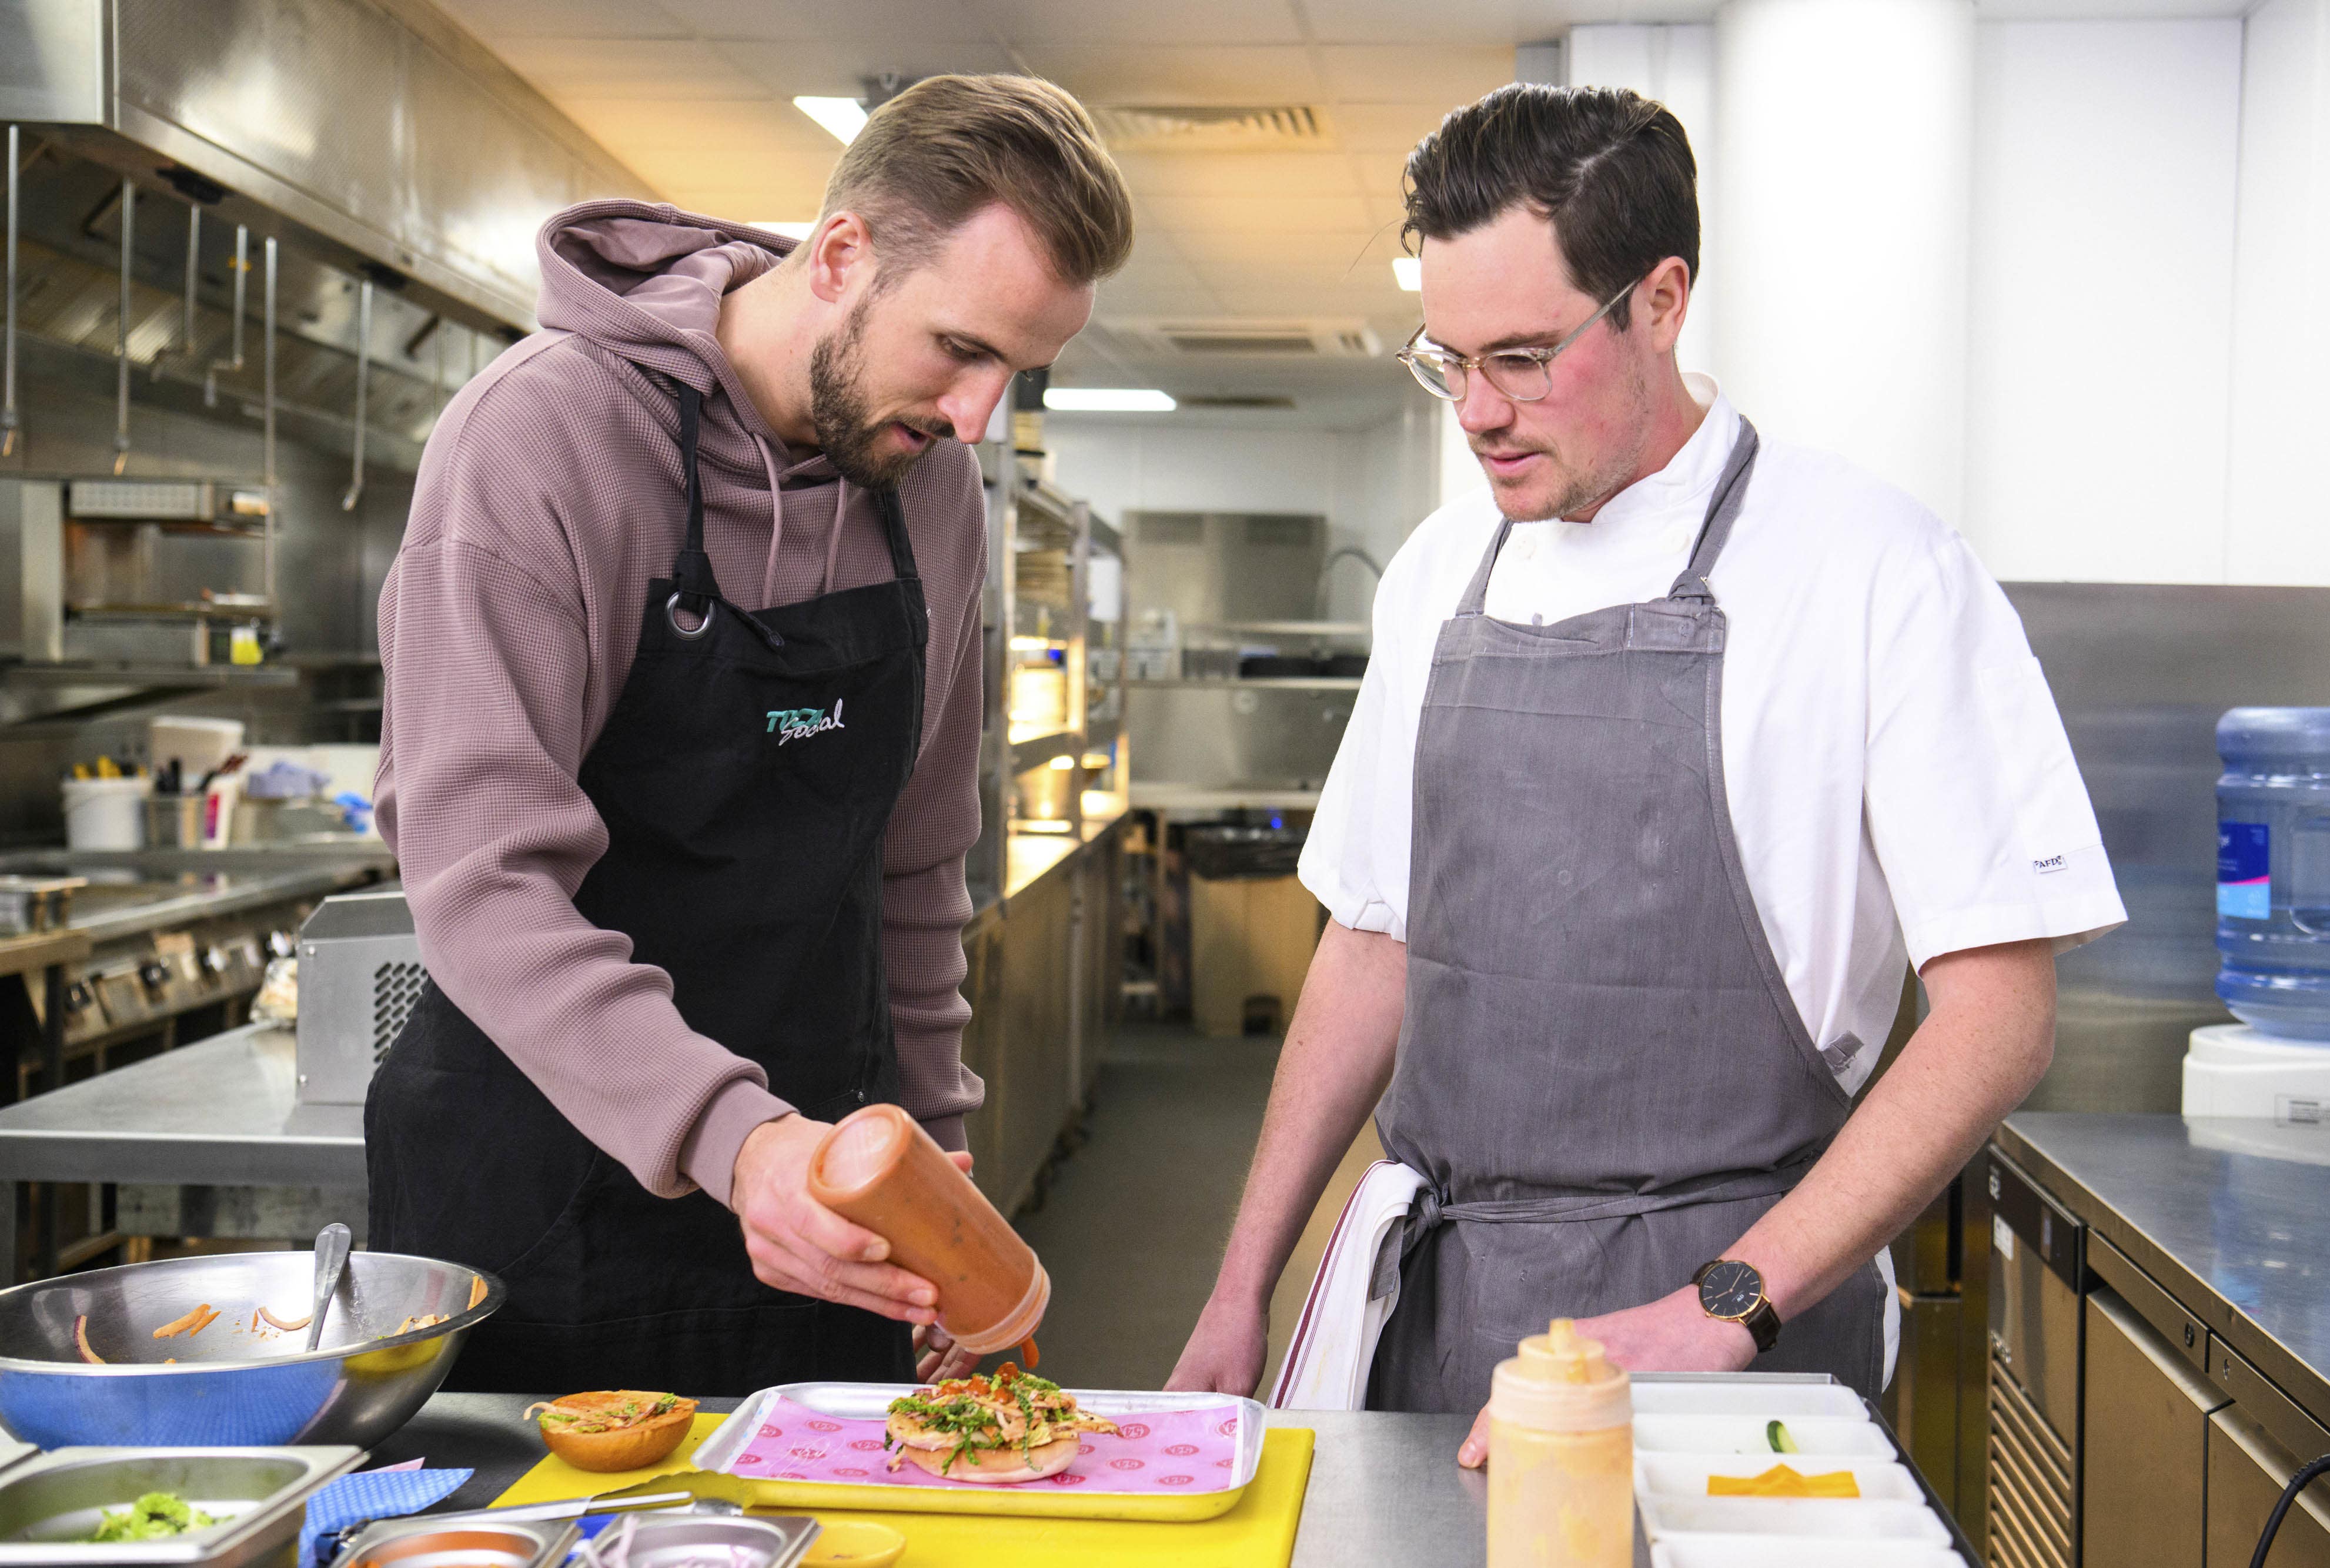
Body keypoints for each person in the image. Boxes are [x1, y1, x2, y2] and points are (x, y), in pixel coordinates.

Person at [1168, 83, 2124, 1466]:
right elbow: (1373, 941)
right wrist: (1239, 1282)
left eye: (1523, 356)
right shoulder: (1443, 572)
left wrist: (1726, 1300)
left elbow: (1997, 1015)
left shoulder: (1872, 570)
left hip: (1732, 1334)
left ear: (1659, 300)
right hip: (1438, 1314)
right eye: (1446, 361)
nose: (1478, 413)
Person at [366, 74, 1132, 1395]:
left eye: (1019, 369)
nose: (976, 417)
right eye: (959, 347)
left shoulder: (932, 496)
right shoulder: (543, 440)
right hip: (548, 1193)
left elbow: (914, 868)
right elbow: (481, 879)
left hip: (825, 1202)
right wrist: (738, 1141)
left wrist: (944, 1203)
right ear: (839, 257)